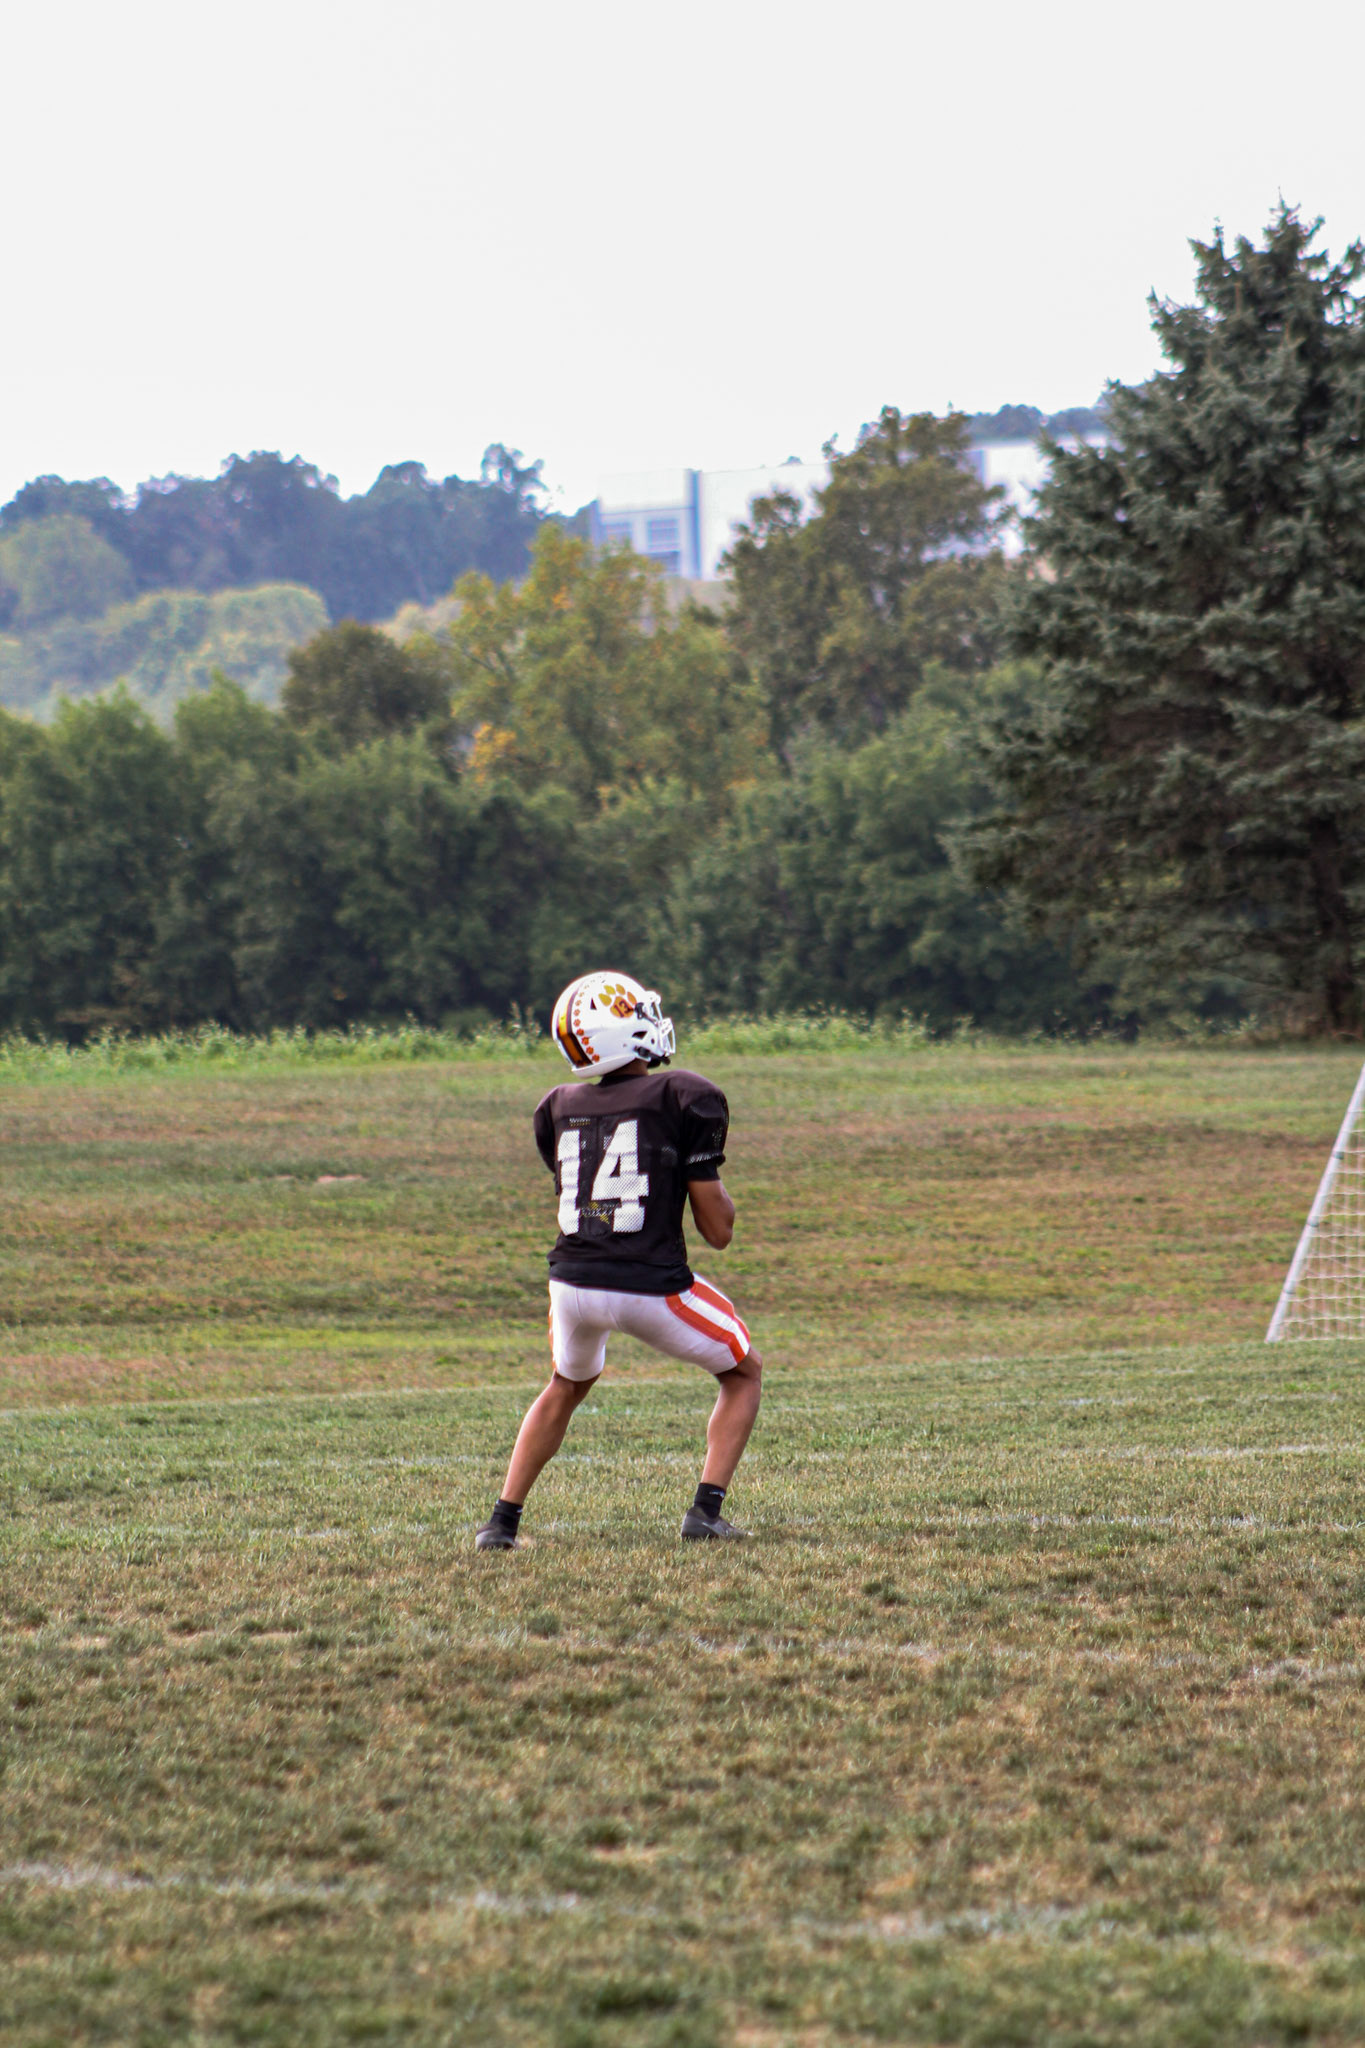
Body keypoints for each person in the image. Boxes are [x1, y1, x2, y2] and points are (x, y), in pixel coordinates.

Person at [475, 970, 762, 1550]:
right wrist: (702, 1170)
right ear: (621, 1033)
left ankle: (501, 1524)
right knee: (744, 1372)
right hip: (648, 1286)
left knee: (565, 1385)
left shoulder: (557, 1106)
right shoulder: (683, 1094)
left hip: (571, 1285)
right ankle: (706, 1512)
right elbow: (718, 1232)